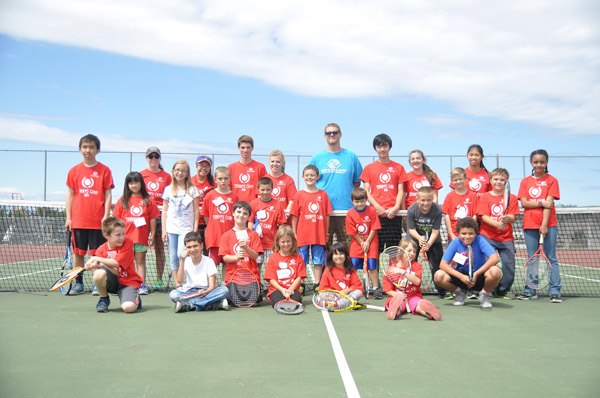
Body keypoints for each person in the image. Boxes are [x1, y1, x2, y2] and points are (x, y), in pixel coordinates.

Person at [65, 134, 114, 295]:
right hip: (78, 221)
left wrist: (106, 215)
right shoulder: (74, 171)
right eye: (85, 147)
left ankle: (97, 283)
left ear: (97, 150)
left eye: (91, 147)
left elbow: (108, 195)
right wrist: (69, 217)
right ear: (80, 149)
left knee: (96, 255)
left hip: (97, 222)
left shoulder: (105, 170)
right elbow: (70, 195)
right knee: (78, 254)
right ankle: (78, 284)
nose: (88, 150)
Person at [517, 149, 562, 303]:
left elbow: (549, 205)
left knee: (551, 258)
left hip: (548, 225)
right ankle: (530, 289)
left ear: (546, 162)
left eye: (542, 162)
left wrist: (544, 225)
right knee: (532, 258)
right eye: (536, 162)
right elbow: (524, 203)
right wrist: (540, 203)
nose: (539, 165)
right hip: (529, 224)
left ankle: (555, 291)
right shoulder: (525, 181)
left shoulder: (552, 181)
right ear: (531, 163)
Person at [309, 123, 363, 246]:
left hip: (345, 211)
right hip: (322, 210)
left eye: (335, 132)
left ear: (340, 134)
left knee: (346, 247)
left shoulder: (351, 156)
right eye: (328, 133)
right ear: (325, 136)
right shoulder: (317, 157)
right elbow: (311, 180)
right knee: (324, 246)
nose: (331, 135)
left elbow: (356, 182)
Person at [434, 218, 502, 308]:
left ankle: (485, 294)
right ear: (458, 234)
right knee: (438, 276)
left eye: (471, 233)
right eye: (463, 233)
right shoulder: (455, 243)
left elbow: (495, 258)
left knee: (496, 271)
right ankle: (459, 292)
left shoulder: (480, 240)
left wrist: (477, 274)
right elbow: (442, 264)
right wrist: (462, 277)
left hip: (479, 276)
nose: (467, 236)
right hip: (461, 277)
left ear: (475, 233)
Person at [113, 171, 160, 295]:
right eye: (131, 183)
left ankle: (141, 285)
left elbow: (153, 218)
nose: (134, 185)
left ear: (141, 183)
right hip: (124, 240)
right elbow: (116, 220)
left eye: (136, 182)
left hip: (140, 238)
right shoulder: (123, 200)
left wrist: (153, 234)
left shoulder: (148, 200)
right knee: (124, 263)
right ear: (127, 185)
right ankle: (124, 284)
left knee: (140, 262)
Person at [476, 168, 520, 299]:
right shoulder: (485, 197)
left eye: (502, 180)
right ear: (491, 180)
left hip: (506, 238)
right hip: (487, 237)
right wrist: (497, 224)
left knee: (509, 265)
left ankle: (503, 290)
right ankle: (489, 288)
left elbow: (512, 216)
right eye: (496, 179)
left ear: (506, 182)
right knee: (488, 265)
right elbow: (483, 217)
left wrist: (507, 219)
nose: (499, 182)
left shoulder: (511, 198)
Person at [84, 217, 143, 313]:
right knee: (98, 274)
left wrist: (96, 259)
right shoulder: (101, 250)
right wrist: (98, 265)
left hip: (128, 282)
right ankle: (104, 299)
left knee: (129, 308)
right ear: (106, 235)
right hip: (113, 282)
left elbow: (116, 264)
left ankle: (134, 297)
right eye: (118, 235)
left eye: (123, 234)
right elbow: (109, 273)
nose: (122, 237)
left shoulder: (128, 243)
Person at [360, 133, 407, 252]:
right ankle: (375, 271)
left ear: (389, 147)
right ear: (375, 148)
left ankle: (393, 271)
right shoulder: (369, 168)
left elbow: (401, 190)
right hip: (376, 215)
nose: (382, 149)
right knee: (375, 251)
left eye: (385, 146)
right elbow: (366, 191)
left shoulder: (399, 167)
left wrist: (396, 207)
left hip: (394, 215)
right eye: (379, 146)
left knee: (393, 251)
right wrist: (377, 207)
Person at [290, 165, 332, 289]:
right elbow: (295, 217)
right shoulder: (299, 195)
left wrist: (326, 232)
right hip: (303, 235)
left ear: (317, 177)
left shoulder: (323, 195)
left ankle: (317, 284)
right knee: (302, 260)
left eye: (312, 175)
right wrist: (294, 233)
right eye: (307, 175)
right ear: (303, 177)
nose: (309, 177)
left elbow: (327, 216)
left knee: (318, 260)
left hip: (318, 235)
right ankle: (300, 284)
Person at [169, 231, 230, 313]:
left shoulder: (209, 261)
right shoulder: (185, 261)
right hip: (190, 292)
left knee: (224, 290)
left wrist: (205, 292)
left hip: (206, 291)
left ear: (201, 246)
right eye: (189, 247)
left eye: (195, 246)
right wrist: (182, 261)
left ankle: (190, 305)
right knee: (173, 295)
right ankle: (212, 305)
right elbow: (179, 281)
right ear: (186, 249)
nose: (193, 249)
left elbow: (212, 286)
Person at [162, 160, 199, 287]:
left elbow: (196, 210)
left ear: (187, 173)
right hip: (171, 228)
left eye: (183, 170)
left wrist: (194, 228)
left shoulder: (193, 190)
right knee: (172, 256)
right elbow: (165, 210)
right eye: (177, 170)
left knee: (181, 254)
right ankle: (177, 284)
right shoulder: (168, 189)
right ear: (173, 172)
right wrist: (163, 230)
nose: (180, 173)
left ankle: (187, 279)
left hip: (186, 228)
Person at [383, 239, 442, 321]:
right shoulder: (392, 269)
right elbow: (387, 289)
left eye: (414, 251)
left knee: (418, 305)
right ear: (401, 251)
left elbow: (417, 281)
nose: (412, 253)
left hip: (413, 296)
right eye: (409, 251)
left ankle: (428, 313)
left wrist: (403, 273)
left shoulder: (417, 266)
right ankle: (395, 311)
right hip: (397, 297)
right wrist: (397, 295)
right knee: (398, 304)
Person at [219, 201, 263, 306]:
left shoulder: (253, 235)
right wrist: (236, 257)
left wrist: (247, 247)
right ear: (233, 214)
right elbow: (225, 258)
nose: (241, 215)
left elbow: (255, 256)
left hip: (250, 279)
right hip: (233, 278)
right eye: (238, 212)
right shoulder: (226, 235)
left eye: (245, 213)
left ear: (248, 216)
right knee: (229, 297)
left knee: (257, 299)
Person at [140, 146, 172, 291]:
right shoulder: (140, 175)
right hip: (142, 216)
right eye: (150, 156)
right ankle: (141, 282)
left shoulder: (166, 177)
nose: (153, 159)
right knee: (140, 249)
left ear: (159, 158)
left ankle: (159, 279)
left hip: (160, 216)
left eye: (156, 156)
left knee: (159, 249)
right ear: (147, 158)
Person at [406, 186, 444, 297]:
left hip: (433, 240)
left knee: (437, 265)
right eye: (422, 200)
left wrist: (428, 244)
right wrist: (419, 238)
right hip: (415, 239)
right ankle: (408, 287)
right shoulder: (411, 210)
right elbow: (411, 230)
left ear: (432, 199)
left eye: (428, 200)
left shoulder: (437, 210)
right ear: (417, 199)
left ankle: (441, 290)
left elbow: (435, 231)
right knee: (409, 263)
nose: (426, 203)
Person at [345, 188, 382, 298]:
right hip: (357, 244)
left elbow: (374, 228)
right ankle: (354, 286)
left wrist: (367, 242)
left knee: (372, 266)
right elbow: (353, 232)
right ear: (352, 201)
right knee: (354, 266)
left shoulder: (371, 210)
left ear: (366, 200)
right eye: (357, 201)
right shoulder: (350, 213)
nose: (360, 204)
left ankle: (375, 288)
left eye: (362, 201)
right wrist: (362, 242)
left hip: (371, 243)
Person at [201, 166, 238, 274]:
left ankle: (225, 285)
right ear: (215, 180)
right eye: (220, 178)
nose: (223, 181)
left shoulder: (234, 197)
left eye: (226, 178)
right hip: (214, 237)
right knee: (212, 263)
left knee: (227, 263)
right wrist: (212, 227)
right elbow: (206, 215)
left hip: (229, 237)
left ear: (230, 179)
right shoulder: (210, 195)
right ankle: (210, 286)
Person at [249, 177, 287, 274]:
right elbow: (250, 222)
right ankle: (257, 283)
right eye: (262, 189)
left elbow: (281, 224)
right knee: (257, 264)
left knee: (272, 264)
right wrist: (251, 238)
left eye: (268, 189)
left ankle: (271, 285)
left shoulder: (277, 204)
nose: (265, 192)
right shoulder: (253, 203)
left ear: (272, 189)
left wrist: (278, 240)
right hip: (258, 243)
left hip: (272, 243)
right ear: (258, 189)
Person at [263, 226, 306, 307]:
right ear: (278, 242)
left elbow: (299, 277)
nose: (286, 244)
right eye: (283, 242)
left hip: (292, 289)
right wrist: (282, 289)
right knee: (279, 302)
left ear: (293, 241)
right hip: (277, 289)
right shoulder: (273, 257)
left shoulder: (298, 257)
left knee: (296, 301)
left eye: (288, 241)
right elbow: (271, 279)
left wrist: (291, 289)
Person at [442, 167, 478, 242]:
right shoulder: (449, 196)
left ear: (465, 179)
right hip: (455, 235)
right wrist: (451, 234)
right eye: (455, 180)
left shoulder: (473, 195)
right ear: (452, 181)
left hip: (468, 235)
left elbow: (474, 215)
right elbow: (447, 216)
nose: (458, 182)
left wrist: (472, 232)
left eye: (460, 179)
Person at [228, 134, 267, 203]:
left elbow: (264, 187)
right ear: (238, 148)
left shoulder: (260, 167)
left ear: (252, 148)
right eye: (243, 147)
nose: (245, 150)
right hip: (236, 207)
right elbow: (227, 188)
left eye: (248, 147)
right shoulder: (231, 167)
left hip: (253, 207)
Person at [191, 155, 216, 253]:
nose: (203, 168)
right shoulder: (189, 181)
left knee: (207, 253)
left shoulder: (214, 183)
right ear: (196, 166)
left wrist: (209, 225)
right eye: (201, 165)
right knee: (192, 252)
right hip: (192, 222)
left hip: (208, 223)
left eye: (207, 166)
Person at [266, 149, 298, 220]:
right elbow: (260, 198)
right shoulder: (265, 179)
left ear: (282, 163)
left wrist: (286, 213)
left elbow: (292, 200)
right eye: (272, 161)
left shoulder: (288, 179)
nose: (274, 164)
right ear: (269, 162)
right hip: (268, 218)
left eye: (278, 162)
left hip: (284, 220)